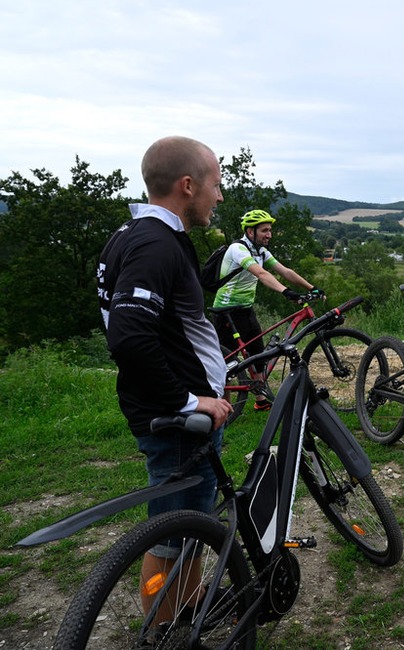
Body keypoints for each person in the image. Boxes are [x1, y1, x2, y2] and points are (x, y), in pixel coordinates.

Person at [97, 135, 232, 620]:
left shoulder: (131, 235)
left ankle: (188, 603)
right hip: (175, 422)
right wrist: (189, 401)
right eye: (216, 183)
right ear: (188, 184)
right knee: (174, 530)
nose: (220, 196)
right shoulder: (157, 245)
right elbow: (130, 336)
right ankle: (163, 623)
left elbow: (154, 324)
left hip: (170, 411)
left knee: (191, 520)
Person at [211, 209, 322, 411]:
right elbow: (261, 274)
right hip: (226, 311)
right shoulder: (238, 249)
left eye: (270, 230)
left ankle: (260, 400)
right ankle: (222, 407)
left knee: (257, 354)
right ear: (250, 231)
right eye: (264, 230)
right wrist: (286, 292)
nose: (269, 235)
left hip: (245, 309)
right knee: (225, 364)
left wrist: (310, 287)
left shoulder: (260, 252)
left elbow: (284, 271)